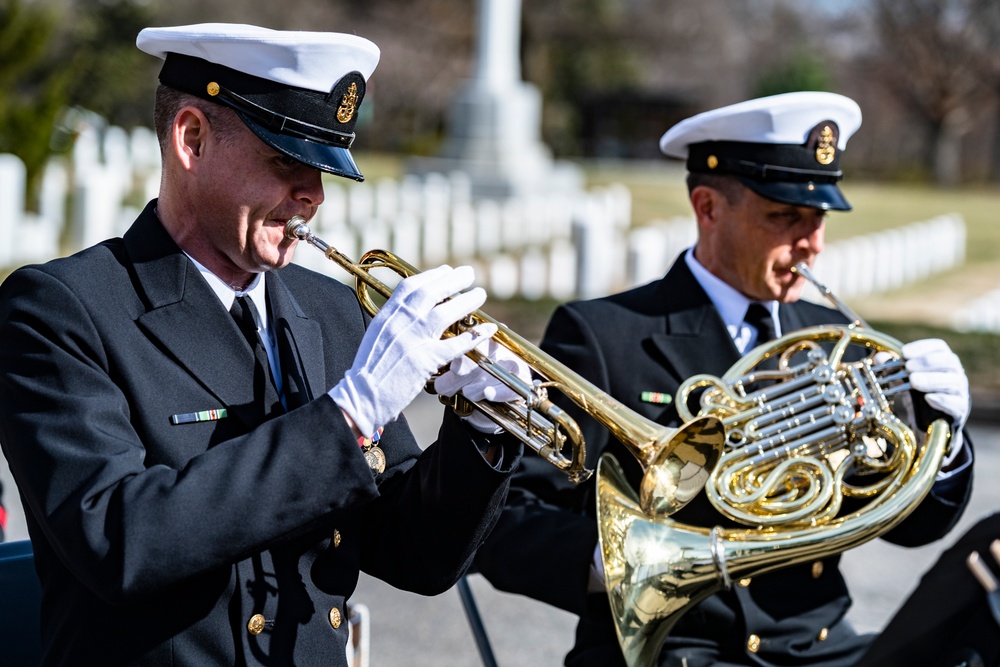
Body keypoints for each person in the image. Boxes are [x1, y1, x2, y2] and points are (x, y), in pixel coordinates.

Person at [0, 23, 531, 666]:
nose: (311, 194)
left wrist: (479, 431)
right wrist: (349, 415)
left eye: (325, 168)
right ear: (191, 139)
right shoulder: (61, 309)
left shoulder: (331, 309)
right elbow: (117, 538)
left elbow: (413, 556)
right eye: (286, 161)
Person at [475, 91, 974, 667]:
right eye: (784, 217)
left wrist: (948, 442)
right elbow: (506, 517)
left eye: (819, 219)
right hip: (679, 651)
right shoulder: (604, 335)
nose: (810, 242)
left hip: (819, 649)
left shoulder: (833, 336)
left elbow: (911, 525)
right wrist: (629, 564)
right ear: (708, 207)